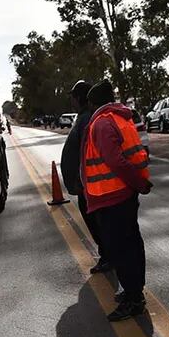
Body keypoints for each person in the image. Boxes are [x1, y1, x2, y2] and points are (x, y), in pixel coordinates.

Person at [82, 81, 153, 321]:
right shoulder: (121, 118)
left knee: (122, 249)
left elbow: (116, 161)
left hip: (112, 197)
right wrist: (138, 184)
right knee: (131, 243)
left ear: (94, 103)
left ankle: (134, 299)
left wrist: (139, 184)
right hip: (123, 194)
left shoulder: (102, 123)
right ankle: (134, 291)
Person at [60, 80, 109, 273]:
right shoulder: (82, 117)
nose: (71, 100)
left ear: (80, 97)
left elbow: (90, 152)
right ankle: (106, 254)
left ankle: (108, 256)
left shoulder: (88, 118)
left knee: (97, 222)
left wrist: (83, 180)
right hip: (84, 183)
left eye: (73, 96)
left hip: (89, 184)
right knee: (93, 221)